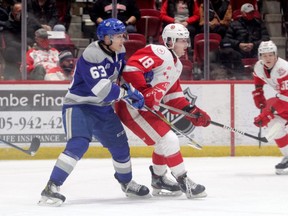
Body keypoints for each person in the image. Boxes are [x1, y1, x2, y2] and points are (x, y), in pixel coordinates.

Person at [38, 18, 150, 207]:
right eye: (117, 36)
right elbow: (103, 89)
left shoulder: (119, 51)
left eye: (123, 35)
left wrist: (136, 84)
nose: (122, 40)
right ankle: (51, 187)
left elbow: (119, 76)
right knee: (78, 144)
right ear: (105, 38)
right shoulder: (92, 54)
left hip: (102, 108)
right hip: (79, 106)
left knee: (120, 146)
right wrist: (126, 93)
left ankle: (126, 183)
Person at [115, 23, 211, 199]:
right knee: (170, 139)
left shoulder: (177, 65)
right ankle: (183, 179)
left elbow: (173, 97)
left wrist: (192, 111)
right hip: (131, 107)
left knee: (164, 142)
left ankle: (158, 178)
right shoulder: (159, 52)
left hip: (147, 109)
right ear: (170, 42)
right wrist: (143, 91)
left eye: (187, 41)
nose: (187, 45)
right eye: (182, 41)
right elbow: (131, 69)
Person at [252, 40, 288, 175]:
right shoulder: (259, 66)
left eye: (270, 55)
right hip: (284, 99)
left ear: (276, 55)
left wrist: (268, 112)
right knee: (273, 125)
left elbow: (286, 97)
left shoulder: (283, 68)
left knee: (271, 117)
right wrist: (258, 92)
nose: (267, 58)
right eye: (264, 55)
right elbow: (258, 77)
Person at [219, 3, 269, 78]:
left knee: (268, 50)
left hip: (255, 51)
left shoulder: (259, 24)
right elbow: (225, 41)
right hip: (239, 53)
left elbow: (266, 39)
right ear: (242, 13)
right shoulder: (234, 25)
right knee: (228, 51)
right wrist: (239, 44)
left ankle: (264, 75)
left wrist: (254, 45)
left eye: (252, 12)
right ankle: (239, 76)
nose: (251, 14)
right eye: (249, 13)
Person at [0, 1, 42, 80]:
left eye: (23, 11)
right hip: (16, 50)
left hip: (32, 47)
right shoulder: (8, 25)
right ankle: (12, 76)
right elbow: (10, 41)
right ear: (13, 12)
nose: (21, 13)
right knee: (10, 51)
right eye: (19, 11)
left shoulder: (31, 20)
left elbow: (37, 33)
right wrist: (25, 46)